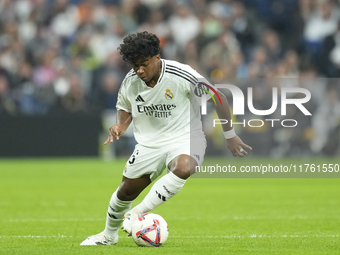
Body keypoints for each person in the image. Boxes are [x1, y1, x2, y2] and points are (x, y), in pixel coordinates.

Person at [80, 31, 252, 245]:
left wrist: (230, 135)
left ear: (157, 58)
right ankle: (108, 235)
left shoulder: (182, 75)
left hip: (185, 136)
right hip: (150, 143)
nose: (140, 70)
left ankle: (137, 214)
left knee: (184, 166)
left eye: (144, 64)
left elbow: (218, 97)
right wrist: (120, 126)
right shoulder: (130, 81)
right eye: (135, 65)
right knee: (125, 192)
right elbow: (125, 108)